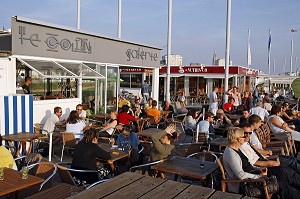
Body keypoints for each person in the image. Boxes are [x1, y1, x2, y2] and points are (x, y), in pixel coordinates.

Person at [240, 124, 300, 199]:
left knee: (291, 162)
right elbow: (254, 163)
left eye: (250, 133)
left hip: (265, 162)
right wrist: (271, 162)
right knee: (287, 173)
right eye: (245, 133)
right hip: (263, 168)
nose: (248, 135)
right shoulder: (239, 148)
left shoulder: (245, 143)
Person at [223, 127, 268, 194]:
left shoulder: (237, 148)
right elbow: (241, 175)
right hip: (245, 185)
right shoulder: (231, 154)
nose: (246, 137)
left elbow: (247, 164)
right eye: (243, 136)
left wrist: (259, 169)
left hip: (252, 177)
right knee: (281, 183)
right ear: (238, 139)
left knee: (280, 174)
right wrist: (259, 176)